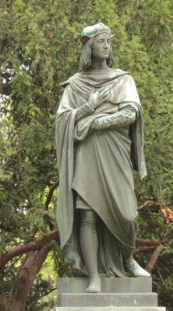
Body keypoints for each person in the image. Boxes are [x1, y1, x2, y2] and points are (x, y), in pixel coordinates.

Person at [55, 22, 150, 293]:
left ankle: (128, 259)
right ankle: (94, 276)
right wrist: (89, 106)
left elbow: (131, 113)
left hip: (114, 150)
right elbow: (63, 121)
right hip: (86, 154)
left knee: (127, 213)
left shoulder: (123, 79)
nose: (107, 46)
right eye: (101, 41)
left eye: (109, 41)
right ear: (89, 47)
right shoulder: (76, 84)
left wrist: (96, 122)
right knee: (86, 214)